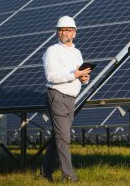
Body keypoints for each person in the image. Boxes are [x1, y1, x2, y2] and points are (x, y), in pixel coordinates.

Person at [40, 15, 91, 182]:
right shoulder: (52, 51)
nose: (63, 32)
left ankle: (45, 171)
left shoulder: (77, 53)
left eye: (68, 30)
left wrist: (83, 78)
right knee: (64, 138)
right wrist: (74, 74)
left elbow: (79, 75)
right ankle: (69, 176)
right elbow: (51, 76)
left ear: (74, 33)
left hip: (71, 99)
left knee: (58, 137)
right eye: (60, 30)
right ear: (57, 33)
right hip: (57, 96)